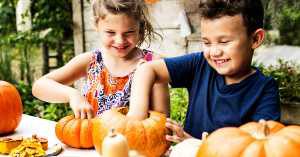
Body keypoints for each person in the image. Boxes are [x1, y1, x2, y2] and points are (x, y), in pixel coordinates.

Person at [127, 0, 281, 143]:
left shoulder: (265, 90)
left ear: (255, 39)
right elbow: (147, 69)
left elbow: (261, 148)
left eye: (224, 42)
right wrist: (136, 117)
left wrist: (194, 145)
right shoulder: (199, 64)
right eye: (206, 42)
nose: (214, 52)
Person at [32, 0, 169, 119]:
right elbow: (39, 86)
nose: (120, 41)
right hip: (88, 145)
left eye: (129, 32)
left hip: (133, 147)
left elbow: (161, 120)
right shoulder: (90, 61)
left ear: (140, 28)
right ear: (96, 26)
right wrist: (72, 95)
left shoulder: (153, 64)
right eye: (110, 32)